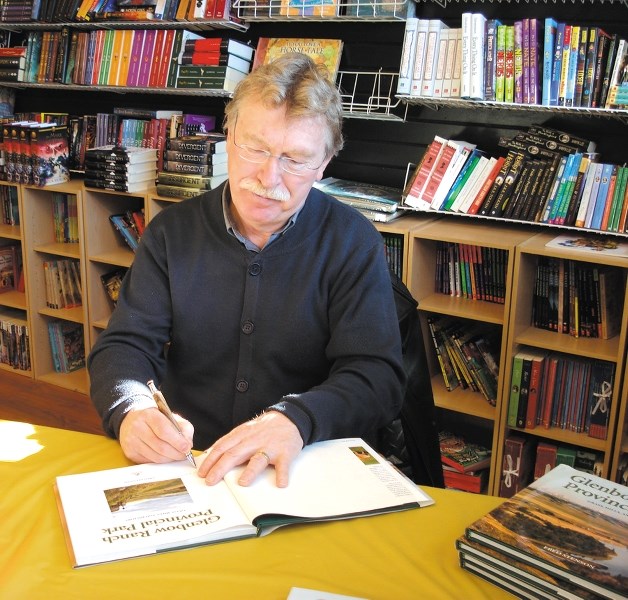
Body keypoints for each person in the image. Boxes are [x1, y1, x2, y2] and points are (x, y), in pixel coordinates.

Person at [88, 52, 405, 489]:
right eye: (255, 147)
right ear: (230, 136)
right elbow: (124, 346)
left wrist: (297, 419)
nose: (269, 176)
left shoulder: (353, 242)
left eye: (295, 159)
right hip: (193, 465)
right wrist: (132, 409)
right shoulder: (170, 233)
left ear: (324, 164)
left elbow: (377, 377)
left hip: (303, 464)